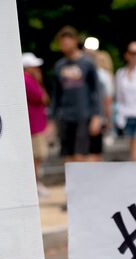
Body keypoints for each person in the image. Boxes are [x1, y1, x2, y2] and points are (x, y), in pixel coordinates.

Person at [51, 26, 102, 163]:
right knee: (68, 157)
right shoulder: (59, 66)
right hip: (66, 117)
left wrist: (96, 116)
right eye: (61, 43)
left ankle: (85, 184)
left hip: (83, 116)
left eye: (67, 42)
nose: (64, 45)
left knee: (81, 156)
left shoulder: (87, 63)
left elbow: (96, 91)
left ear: (74, 41)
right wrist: (52, 118)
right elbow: (56, 95)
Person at [23, 52, 50, 197]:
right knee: (36, 156)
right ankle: (35, 184)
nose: (38, 69)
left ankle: (36, 183)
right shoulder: (28, 80)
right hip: (34, 125)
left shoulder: (27, 80)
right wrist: (39, 82)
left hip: (35, 124)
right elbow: (43, 98)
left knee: (37, 156)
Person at [87, 49, 115, 162]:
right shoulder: (105, 76)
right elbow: (107, 100)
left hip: (87, 116)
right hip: (98, 117)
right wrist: (109, 121)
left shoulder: (90, 73)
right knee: (96, 152)